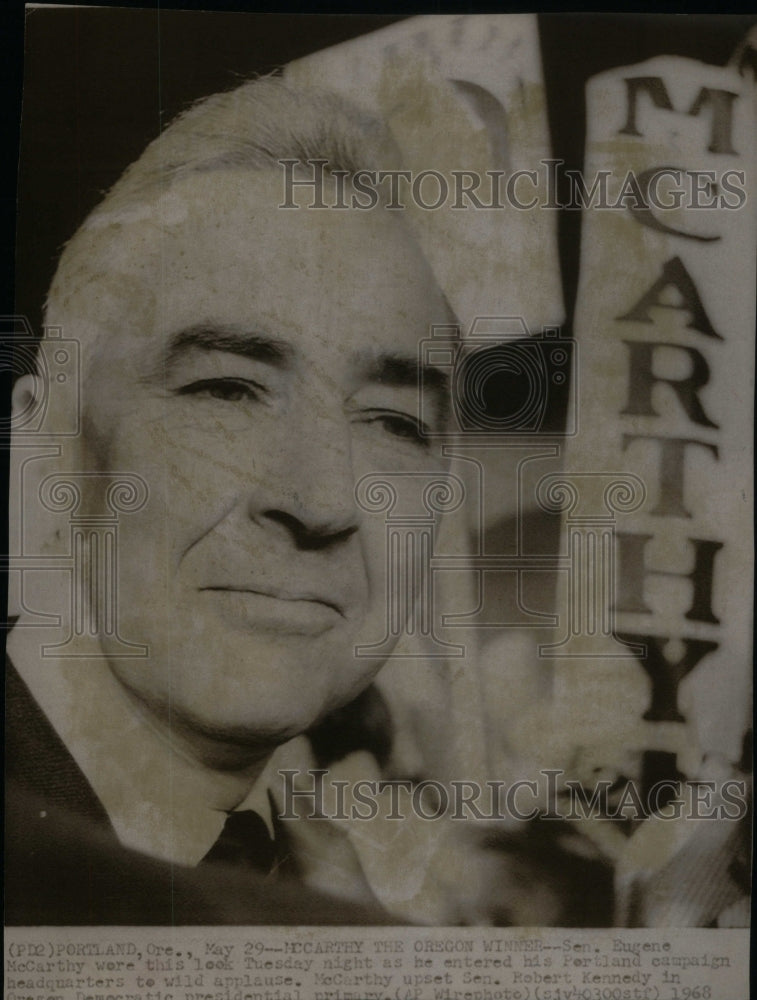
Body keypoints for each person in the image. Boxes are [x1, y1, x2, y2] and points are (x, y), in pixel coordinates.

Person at [5, 76, 456, 924]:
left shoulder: (337, 888)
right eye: (225, 390)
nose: (322, 501)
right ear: (42, 451)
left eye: (393, 420)